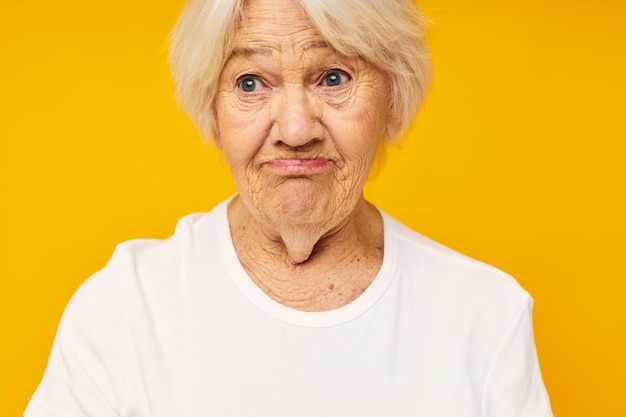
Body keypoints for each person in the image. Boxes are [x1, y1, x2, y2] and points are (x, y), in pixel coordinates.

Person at [25, 0, 553, 415]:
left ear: (393, 100)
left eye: (334, 77)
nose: (296, 130)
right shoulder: (124, 308)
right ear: (211, 108)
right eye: (250, 83)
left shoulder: (486, 315)